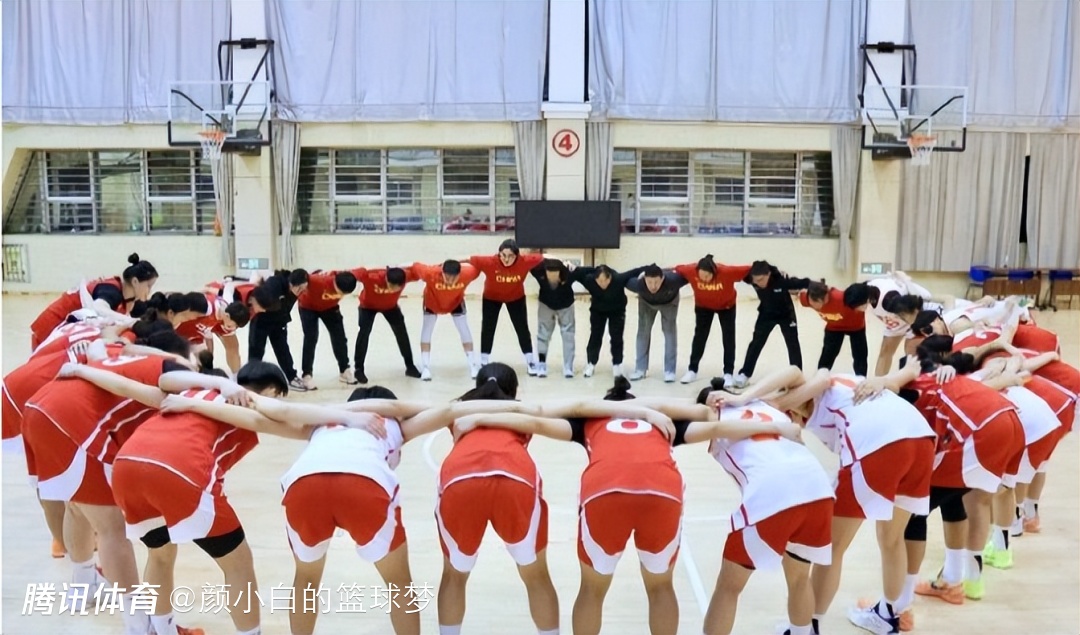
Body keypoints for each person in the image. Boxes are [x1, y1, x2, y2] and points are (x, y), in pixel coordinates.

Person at [107, 361, 381, 635]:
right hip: (175, 469)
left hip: (127, 465)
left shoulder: (194, 391)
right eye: (276, 395)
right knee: (238, 563)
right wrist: (350, 418)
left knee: (160, 554)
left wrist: (220, 382)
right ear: (271, 391)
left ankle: (156, 631)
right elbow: (291, 417)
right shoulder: (247, 403)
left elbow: (165, 379)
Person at [450, 377, 708, 635]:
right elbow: (709, 420)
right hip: (663, 491)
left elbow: (536, 422)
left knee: (592, 589)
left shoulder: (590, 420)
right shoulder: (662, 422)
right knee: (661, 587)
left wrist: (481, 419)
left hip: (604, 491)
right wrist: (715, 401)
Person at [728, 366, 936, 635]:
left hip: (879, 442)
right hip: (921, 438)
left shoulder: (820, 386)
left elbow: (794, 371)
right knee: (892, 537)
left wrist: (748, 398)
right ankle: (889, 614)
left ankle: (810, 625)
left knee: (832, 548)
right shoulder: (841, 386)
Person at [855, 342, 1026, 607]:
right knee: (959, 498)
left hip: (983, 429)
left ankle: (899, 605)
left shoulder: (913, 390)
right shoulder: (947, 381)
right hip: (1010, 420)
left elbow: (889, 387)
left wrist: (884, 379)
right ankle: (960, 580)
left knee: (912, 508)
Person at [29, 253, 158, 350]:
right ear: (135, 282)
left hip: (63, 329)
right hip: (50, 328)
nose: (149, 290)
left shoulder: (125, 295)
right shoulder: (111, 291)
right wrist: (131, 321)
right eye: (148, 286)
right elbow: (99, 308)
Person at [843, 272, 941, 376]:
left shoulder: (889, 300)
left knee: (911, 351)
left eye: (856, 307)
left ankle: (920, 379)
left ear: (862, 301)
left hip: (917, 314)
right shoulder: (866, 288)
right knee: (885, 351)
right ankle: (878, 382)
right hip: (899, 320)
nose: (856, 310)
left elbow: (913, 310)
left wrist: (915, 329)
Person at [674, 255, 751, 385]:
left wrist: (776, 272)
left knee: (728, 338)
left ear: (713, 272)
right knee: (700, 337)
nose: (703, 279)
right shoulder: (690, 270)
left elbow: (751, 269)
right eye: (701, 276)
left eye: (707, 276)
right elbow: (675, 269)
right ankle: (692, 370)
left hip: (727, 307)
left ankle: (728, 373)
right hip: (703, 307)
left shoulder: (727, 272)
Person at [469, 239, 544, 373]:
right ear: (499, 254)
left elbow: (544, 257)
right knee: (488, 327)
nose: (506, 259)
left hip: (516, 299)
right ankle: (484, 360)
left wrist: (565, 262)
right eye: (503, 255)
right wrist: (445, 265)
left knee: (522, 328)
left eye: (510, 256)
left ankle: (530, 361)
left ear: (517, 256)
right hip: (491, 299)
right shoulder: (489, 262)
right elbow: (468, 259)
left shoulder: (525, 261)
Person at [735, 260, 809, 386]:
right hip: (766, 314)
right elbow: (734, 273)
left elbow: (805, 282)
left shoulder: (782, 280)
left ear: (768, 274)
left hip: (786, 314)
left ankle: (797, 375)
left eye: (761, 280)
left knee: (793, 344)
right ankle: (745, 373)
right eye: (755, 281)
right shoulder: (751, 279)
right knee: (756, 343)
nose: (758, 283)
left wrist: (821, 288)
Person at [413, 259, 481, 381]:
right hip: (432, 304)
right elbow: (415, 266)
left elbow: (479, 264)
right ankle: (425, 367)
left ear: (460, 274)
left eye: (454, 278)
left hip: (456, 303)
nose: (450, 281)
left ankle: (472, 365)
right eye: (447, 277)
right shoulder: (430, 273)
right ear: (442, 272)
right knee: (426, 331)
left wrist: (463, 259)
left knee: (464, 330)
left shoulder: (468, 273)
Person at [351, 265, 421, 384]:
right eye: (391, 286)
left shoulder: (406, 276)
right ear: (386, 279)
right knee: (364, 333)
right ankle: (359, 369)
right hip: (367, 307)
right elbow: (357, 273)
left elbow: (419, 270)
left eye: (396, 288)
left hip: (390, 307)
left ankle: (410, 366)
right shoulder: (372, 277)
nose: (393, 290)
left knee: (401, 333)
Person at [574, 264, 647, 378]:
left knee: (616, 337)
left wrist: (648, 270)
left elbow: (635, 271)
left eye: (605, 280)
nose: (602, 284)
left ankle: (617, 364)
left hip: (617, 311)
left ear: (610, 278)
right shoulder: (589, 280)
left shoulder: (618, 279)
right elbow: (576, 273)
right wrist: (569, 268)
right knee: (595, 336)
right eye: (599, 281)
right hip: (598, 310)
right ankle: (591, 363)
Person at [248, 269, 310, 392]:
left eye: (303, 289)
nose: (301, 291)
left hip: (279, 322)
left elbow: (286, 307)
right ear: (291, 283)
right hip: (261, 321)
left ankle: (291, 377)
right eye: (299, 288)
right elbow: (258, 298)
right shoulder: (274, 283)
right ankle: (251, 379)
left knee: (283, 350)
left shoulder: (295, 291)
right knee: (256, 350)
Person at [296, 269, 359, 388]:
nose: (341, 295)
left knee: (340, 337)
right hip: (308, 307)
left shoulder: (349, 277)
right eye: (340, 292)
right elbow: (299, 276)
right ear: (335, 283)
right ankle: (306, 374)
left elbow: (365, 271)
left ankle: (344, 369)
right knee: (311, 338)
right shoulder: (317, 281)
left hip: (330, 307)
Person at [625, 264, 687, 382]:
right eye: (649, 282)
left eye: (656, 282)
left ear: (662, 279)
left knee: (669, 333)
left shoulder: (673, 280)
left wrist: (674, 269)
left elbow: (690, 274)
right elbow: (622, 277)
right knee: (643, 332)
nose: (653, 286)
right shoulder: (637, 284)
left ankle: (670, 371)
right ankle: (640, 369)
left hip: (669, 303)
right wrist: (640, 270)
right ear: (644, 279)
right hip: (646, 304)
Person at [174, 289, 250, 376]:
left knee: (232, 346)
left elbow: (208, 336)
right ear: (227, 316)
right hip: (186, 326)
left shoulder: (230, 315)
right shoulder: (205, 308)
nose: (234, 328)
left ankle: (237, 376)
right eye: (235, 325)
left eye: (236, 327)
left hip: (208, 326)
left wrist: (210, 358)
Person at [800, 282, 869, 377]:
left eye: (813, 304)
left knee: (860, 356)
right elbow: (797, 292)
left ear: (824, 299)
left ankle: (861, 379)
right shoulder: (808, 299)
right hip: (834, 327)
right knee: (828, 355)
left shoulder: (841, 298)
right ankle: (820, 378)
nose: (811, 306)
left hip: (855, 325)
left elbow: (860, 297)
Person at [530, 259, 578, 378]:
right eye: (549, 273)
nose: (551, 276)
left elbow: (587, 272)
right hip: (546, 305)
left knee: (568, 335)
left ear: (560, 272)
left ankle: (568, 366)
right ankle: (541, 363)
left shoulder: (569, 274)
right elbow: (526, 262)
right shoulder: (539, 272)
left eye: (554, 274)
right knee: (543, 334)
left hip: (566, 306)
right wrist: (542, 258)